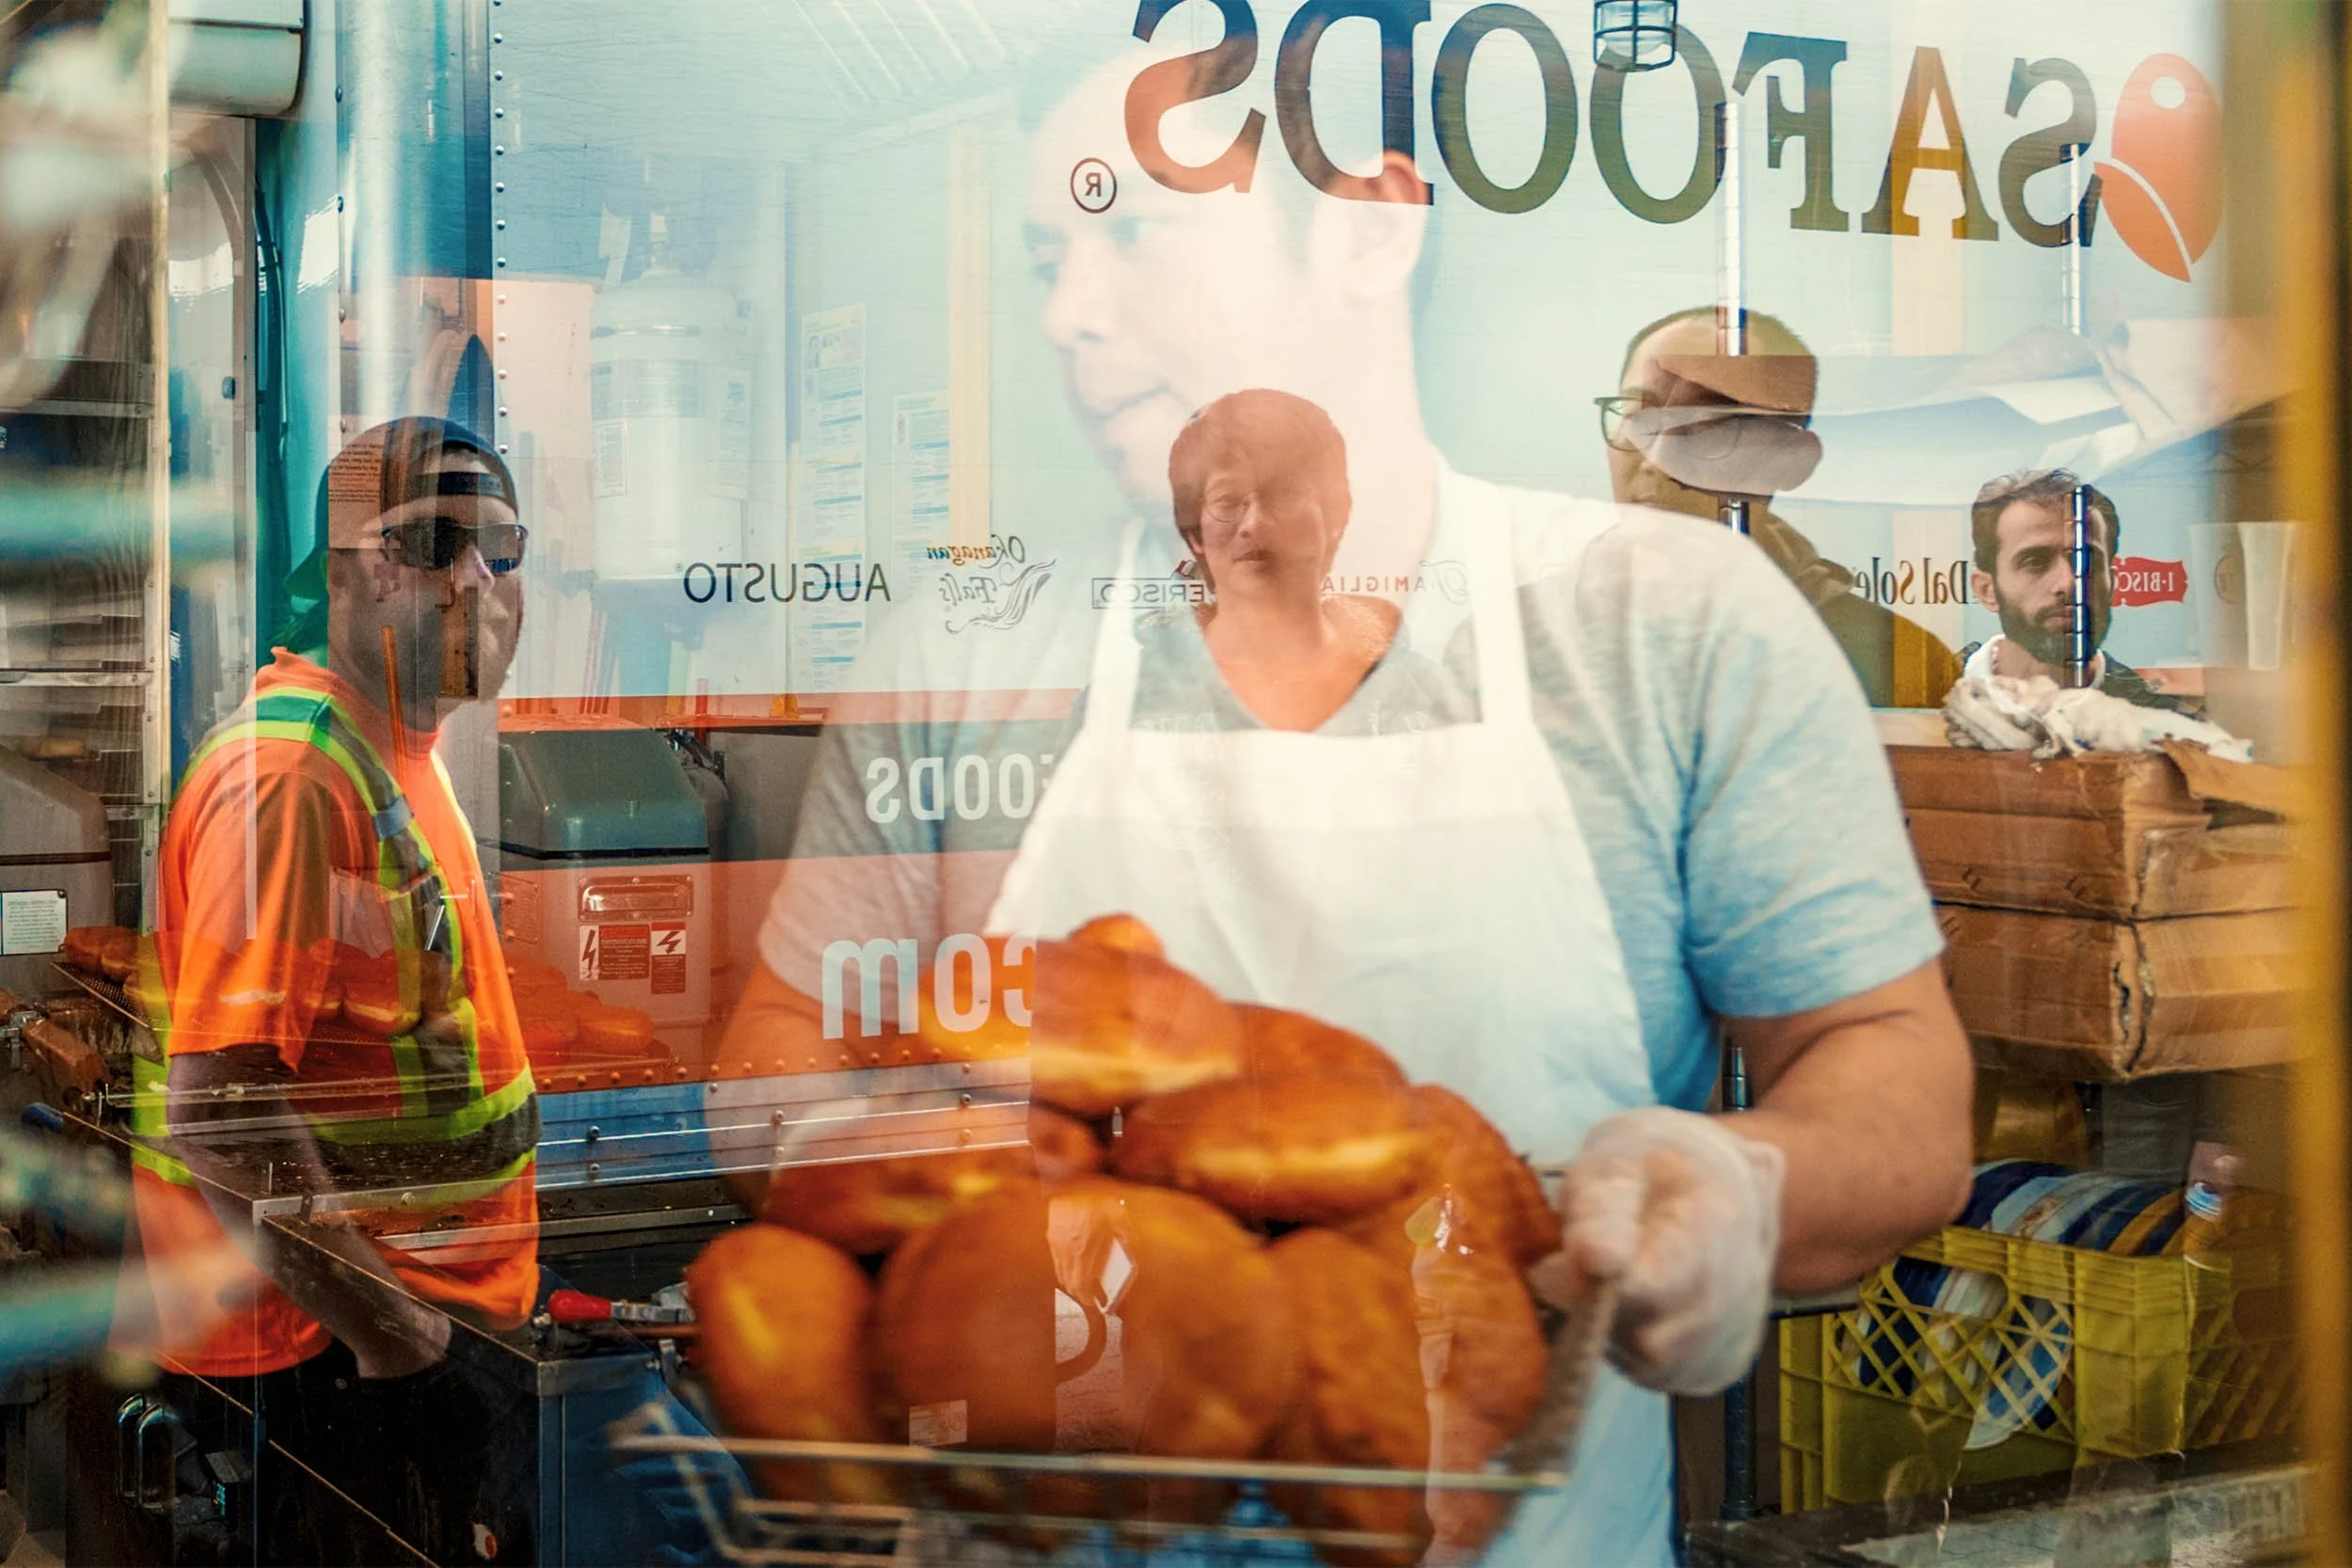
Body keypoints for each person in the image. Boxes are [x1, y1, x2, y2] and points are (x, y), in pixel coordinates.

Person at [723, 47, 1973, 1567]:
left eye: (1134, 224)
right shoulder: (968, 650)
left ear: (1374, 226)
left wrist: (1745, 1187)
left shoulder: (1667, 625)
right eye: (1052, 257)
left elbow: (1897, 1077)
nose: (1068, 312)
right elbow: (776, 1046)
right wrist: (921, 1187)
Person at [125, 417, 739, 1564]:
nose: (476, 579)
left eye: (499, 547)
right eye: (431, 543)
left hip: (425, 1321)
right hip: (324, 1354)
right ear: (352, 569)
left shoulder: (400, 748)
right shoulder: (294, 776)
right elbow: (219, 1108)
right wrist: (398, 1338)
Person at [1604, 307, 1964, 708]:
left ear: (1792, 460)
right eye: (1639, 417)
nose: (1656, 460)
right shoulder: (1535, 625)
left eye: (1708, 426)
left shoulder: (1895, 666)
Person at [1965, 467, 2190, 711]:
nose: (2069, 582)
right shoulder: (1929, 694)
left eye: (2087, 561)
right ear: (1987, 590)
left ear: (2111, 582)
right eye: (2035, 562)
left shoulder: (2167, 728)